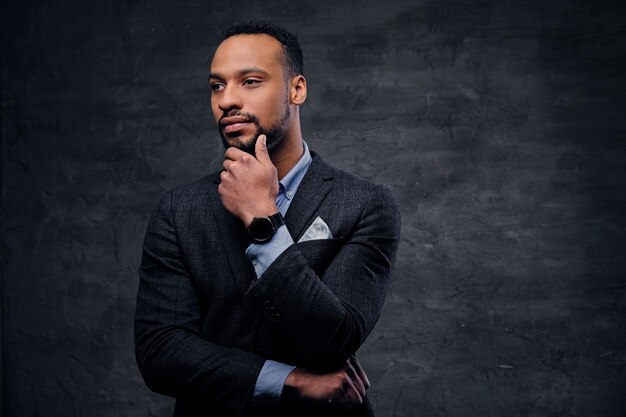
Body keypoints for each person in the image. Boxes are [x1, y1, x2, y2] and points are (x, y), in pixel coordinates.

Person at [134, 20, 400, 417]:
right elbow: (161, 351)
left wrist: (262, 217)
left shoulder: (365, 203)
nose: (227, 100)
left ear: (297, 89)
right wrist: (291, 380)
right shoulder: (179, 210)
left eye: (251, 81)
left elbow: (334, 339)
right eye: (217, 86)